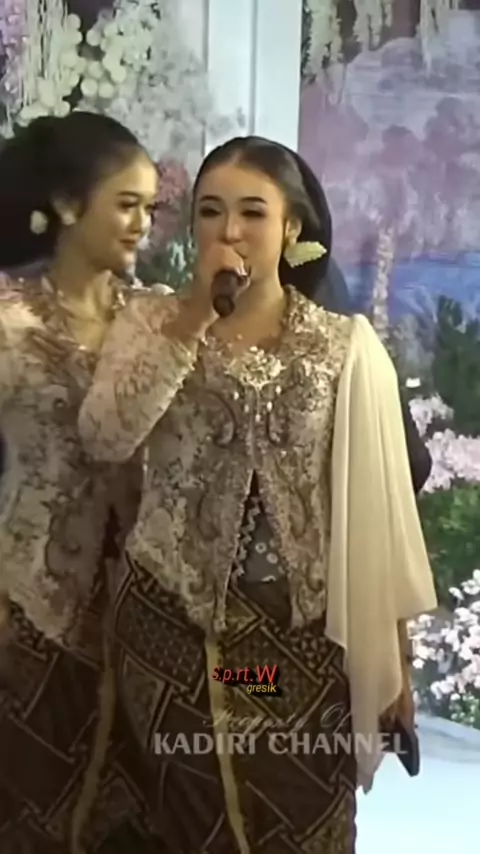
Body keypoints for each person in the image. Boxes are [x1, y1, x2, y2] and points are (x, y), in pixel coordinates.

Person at [78, 136, 437, 853]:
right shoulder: (150, 322)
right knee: (188, 820)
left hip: (289, 653)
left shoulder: (344, 347)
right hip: (170, 632)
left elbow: (377, 514)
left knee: (297, 812)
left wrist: (394, 658)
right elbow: (105, 438)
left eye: (252, 212)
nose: (230, 230)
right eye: (210, 212)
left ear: (291, 226)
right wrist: (192, 317)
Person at [0, 111, 162, 852]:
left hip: (144, 627)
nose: (142, 224)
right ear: (68, 204)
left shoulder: (158, 323)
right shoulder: (8, 321)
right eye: (126, 204)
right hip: (24, 615)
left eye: (150, 207)